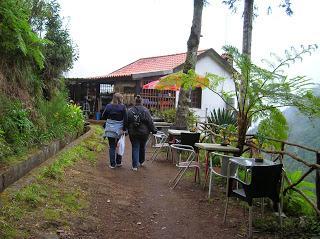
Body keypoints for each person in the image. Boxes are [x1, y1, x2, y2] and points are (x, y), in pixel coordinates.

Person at [127, 95, 157, 171]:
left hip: (133, 132)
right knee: (142, 146)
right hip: (144, 133)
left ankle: (134, 166)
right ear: (142, 102)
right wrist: (154, 130)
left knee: (135, 147)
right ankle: (141, 161)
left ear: (135, 102)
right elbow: (150, 122)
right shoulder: (146, 110)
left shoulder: (130, 110)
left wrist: (125, 129)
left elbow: (127, 121)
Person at [102, 93, 127, 169]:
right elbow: (126, 119)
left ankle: (112, 164)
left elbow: (103, 116)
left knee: (112, 146)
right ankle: (118, 162)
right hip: (119, 129)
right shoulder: (123, 107)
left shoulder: (108, 106)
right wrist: (124, 129)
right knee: (119, 145)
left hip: (110, 128)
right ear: (120, 99)